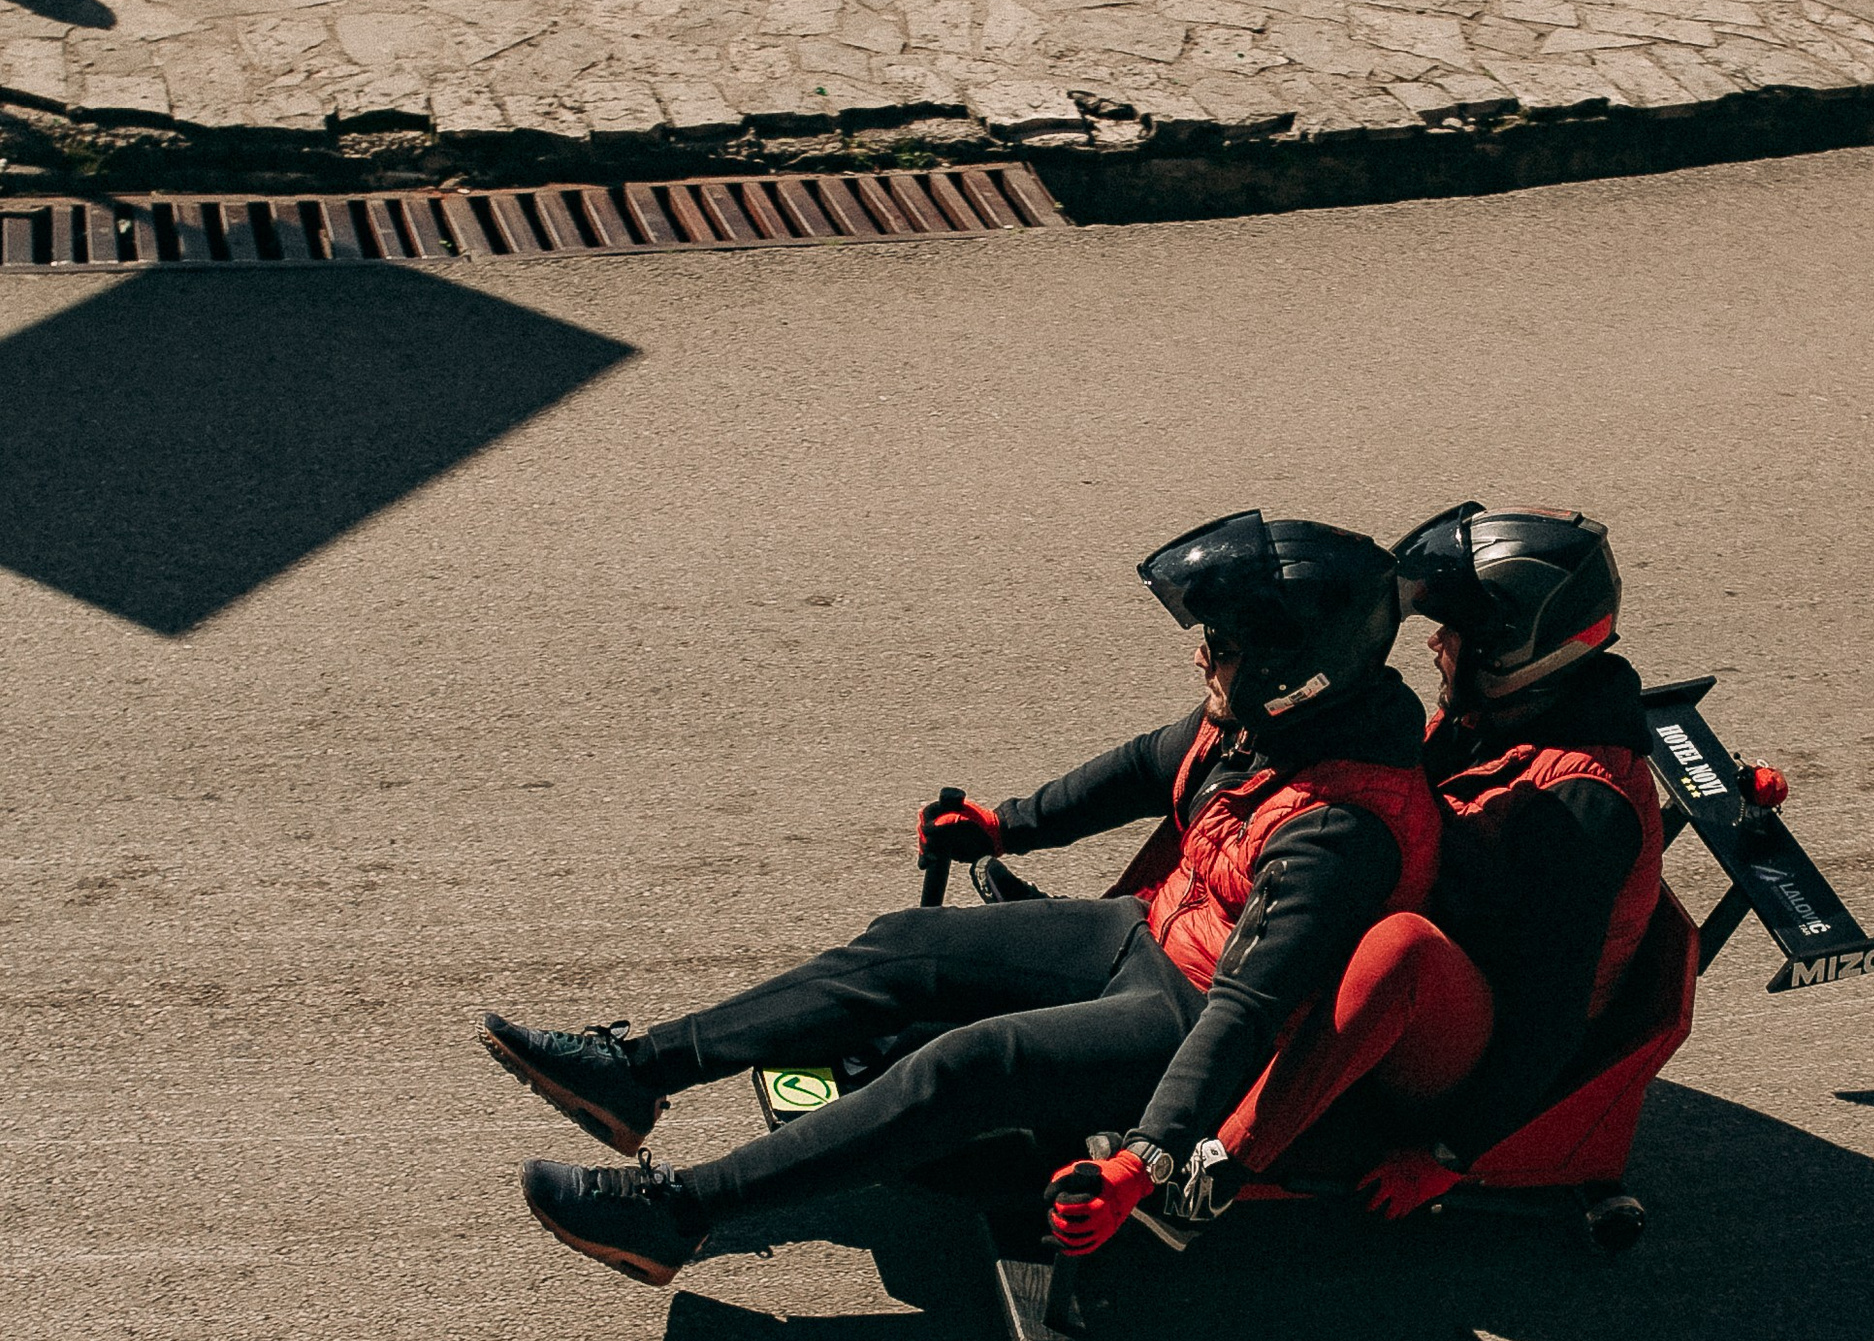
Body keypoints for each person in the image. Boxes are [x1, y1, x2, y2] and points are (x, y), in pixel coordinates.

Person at [482, 512, 1441, 1286]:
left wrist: (1144, 1162)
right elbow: (1150, 766)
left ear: (1290, 672)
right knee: (910, 944)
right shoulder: (1271, 720)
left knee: (971, 1066)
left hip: (1191, 1016)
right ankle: (635, 1072)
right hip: (1144, 933)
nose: (1203, 658)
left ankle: (675, 1216)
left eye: (1222, 645)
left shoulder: (1342, 829)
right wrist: (1004, 826)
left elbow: (1247, 1009)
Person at [1215, 503, 1662, 1220]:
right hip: (1460, 948)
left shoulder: (1581, 808)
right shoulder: (1495, 718)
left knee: (1405, 950)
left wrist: (1454, 1151)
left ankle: (1212, 1169)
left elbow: (1549, 1012)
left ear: (1514, 650)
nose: (1433, 645)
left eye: (1454, 632)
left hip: (1470, 1042)